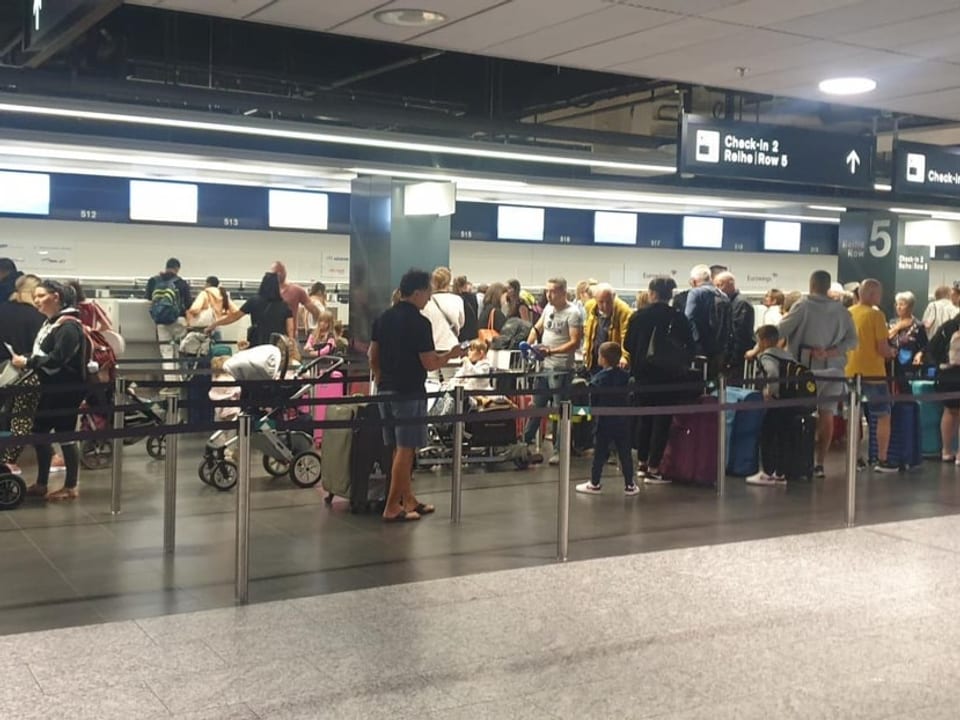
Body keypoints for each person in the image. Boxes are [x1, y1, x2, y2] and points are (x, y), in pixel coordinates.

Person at [369, 269, 465, 522]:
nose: (429, 298)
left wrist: (380, 378)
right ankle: (392, 507)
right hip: (409, 391)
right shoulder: (420, 323)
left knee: (397, 449)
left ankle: (407, 498)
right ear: (419, 292)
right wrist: (451, 356)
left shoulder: (382, 318)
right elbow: (430, 363)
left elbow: (372, 355)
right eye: (428, 293)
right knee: (406, 448)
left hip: (386, 391)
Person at [10, 280, 88, 500]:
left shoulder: (69, 326)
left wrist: (27, 362)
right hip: (50, 388)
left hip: (65, 389)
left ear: (56, 297)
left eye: (42, 296)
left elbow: (58, 359)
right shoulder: (52, 323)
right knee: (39, 433)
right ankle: (42, 483)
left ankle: (71, 486)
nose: (37, 301)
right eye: (35, 296)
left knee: (65, 435)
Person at [777, 270, 858, 478]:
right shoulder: (842, 310)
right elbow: (853, 341)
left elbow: (780, 330)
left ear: (811, 284)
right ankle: (820, 462)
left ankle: (798, 458)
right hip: (834, 370)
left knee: (798, 412)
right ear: (827, 286)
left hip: (804, 369)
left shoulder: (803, 306)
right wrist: (831, 351)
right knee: (827, 414)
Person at [624, 276, 695, 485]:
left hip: (643, 377)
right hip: (668, 378)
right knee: (661, 422)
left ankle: (642, 463)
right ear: (669, 295)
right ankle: (654, 468)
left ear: (652, 293)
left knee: (644, 420)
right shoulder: (678, 318)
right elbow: (690, 347)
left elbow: (628, 344)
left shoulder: (638, 316)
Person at [522, 277, 583, 465]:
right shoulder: (548, 309)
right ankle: (523, 443)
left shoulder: (573, 313)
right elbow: (537, 327)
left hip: (561, 367)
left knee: (560, 411)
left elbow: (574, 342)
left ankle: (560, 450)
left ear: (563, 292)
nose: (548, 295)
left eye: (553, 291)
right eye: (547, 291)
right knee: (536, 406)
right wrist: (530, 343)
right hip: (543, 366)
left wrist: (550, 351)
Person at [847, 279, 898, 473]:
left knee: (854, 416)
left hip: (850, 372)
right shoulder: (876, 315)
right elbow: (882, 348)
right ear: (872, 294)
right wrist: (892, 352)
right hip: (873, 373)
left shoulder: (849, 313)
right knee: (883, 415)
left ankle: (855, 458)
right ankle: (882, 460)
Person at [575, 342, 638, 496]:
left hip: (604, 422)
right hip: (622, 421)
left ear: (602, 359)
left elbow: (593, 402)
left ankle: (595, 482)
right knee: (625, 453)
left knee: (599, 454)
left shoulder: (598, 379)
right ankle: (629, 484)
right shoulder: (626, 377)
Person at [0, 274, 45, 474]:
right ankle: (9, 460)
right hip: (24, 373)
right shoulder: (38, 317)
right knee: (21, 418)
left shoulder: (2, 309)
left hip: (2, 370)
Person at [746, 326, 799, 486]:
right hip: (791, 401)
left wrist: (771, 393)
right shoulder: (788, 355)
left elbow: (773, 373)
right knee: (784, 437)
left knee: (768, 435)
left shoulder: (766, 356)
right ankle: (780, 473)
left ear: (765, 341)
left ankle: (768, 473)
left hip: (777, 402)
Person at [206, 272, 294, 348]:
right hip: (277, 344)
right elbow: (290, 327)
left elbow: (234, 317)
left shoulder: (254, 300)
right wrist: (290, 341)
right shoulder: (285, 304)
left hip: (258, 342)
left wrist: (214, 324)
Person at [146, 258, 192, 385]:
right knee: (178, 352)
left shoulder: (153, 281)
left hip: (161, 321)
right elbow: (188, 304)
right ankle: (179, 383)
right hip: (178, 320)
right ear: (177, 269)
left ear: (166, 267)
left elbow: (149, 300)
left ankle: (169, 385)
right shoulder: (182, 283)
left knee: (166, 353)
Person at [684, 264, 731, 379]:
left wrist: (693, 341)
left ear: (694, 281)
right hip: (720, 349)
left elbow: (688, 318)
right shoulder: (723, 295)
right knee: (715, 382)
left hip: (700, 349)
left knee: (699, 381)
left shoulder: (695, 293)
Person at [928, 314, 960, 462]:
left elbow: (932, 348)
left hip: (946, 374)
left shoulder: (947, 327)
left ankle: (946, 451)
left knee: (950, 411)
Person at [715, 272, 755, 385]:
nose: (717, 289)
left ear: (728, 284)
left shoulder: (741, 303)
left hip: (737, 360)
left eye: (719, 285)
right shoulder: (730, 302)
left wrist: (731, 360)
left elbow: (739, 333)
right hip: (732, 357)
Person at [582, 284, 631, 374]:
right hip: (594, 359)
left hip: (613, 362)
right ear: (595, 299)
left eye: (609, 302)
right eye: (601, 302)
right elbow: (587, 329)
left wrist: (625, 356)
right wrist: (586, 347)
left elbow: (626, 335)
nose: (605, 306)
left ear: (614, 298)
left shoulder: (624, 311)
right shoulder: (590, 307)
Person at [888, 291, 927, 392]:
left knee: (906, 393)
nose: (898, 307)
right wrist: (898, 327)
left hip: (908, 366)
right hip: (891, 364)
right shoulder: (892, 323)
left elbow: (925, 345)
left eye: (902, 304)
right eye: (897, 304)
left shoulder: (918, 325)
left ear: (910, 306)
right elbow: (886, 337)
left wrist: (920, 354)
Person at [421, 266, 465, 355]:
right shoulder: (457, 300)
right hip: (451, 347)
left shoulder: (426, 301)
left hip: (431, 348)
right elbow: (461, 323)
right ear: (449, 282)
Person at [270, 261, 320, 337]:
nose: (278, 275)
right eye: (275, 273)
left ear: (285, 273)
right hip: (270, 333)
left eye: (280, 272)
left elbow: (314, 311)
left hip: (290, 335)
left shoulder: (297, 290)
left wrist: (319, 330)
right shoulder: (268, 291)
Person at [453, 275, 478, 343]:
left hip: (459, 332)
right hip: (471, 332)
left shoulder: (454, 298)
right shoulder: (473, 297)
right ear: (466, 285)